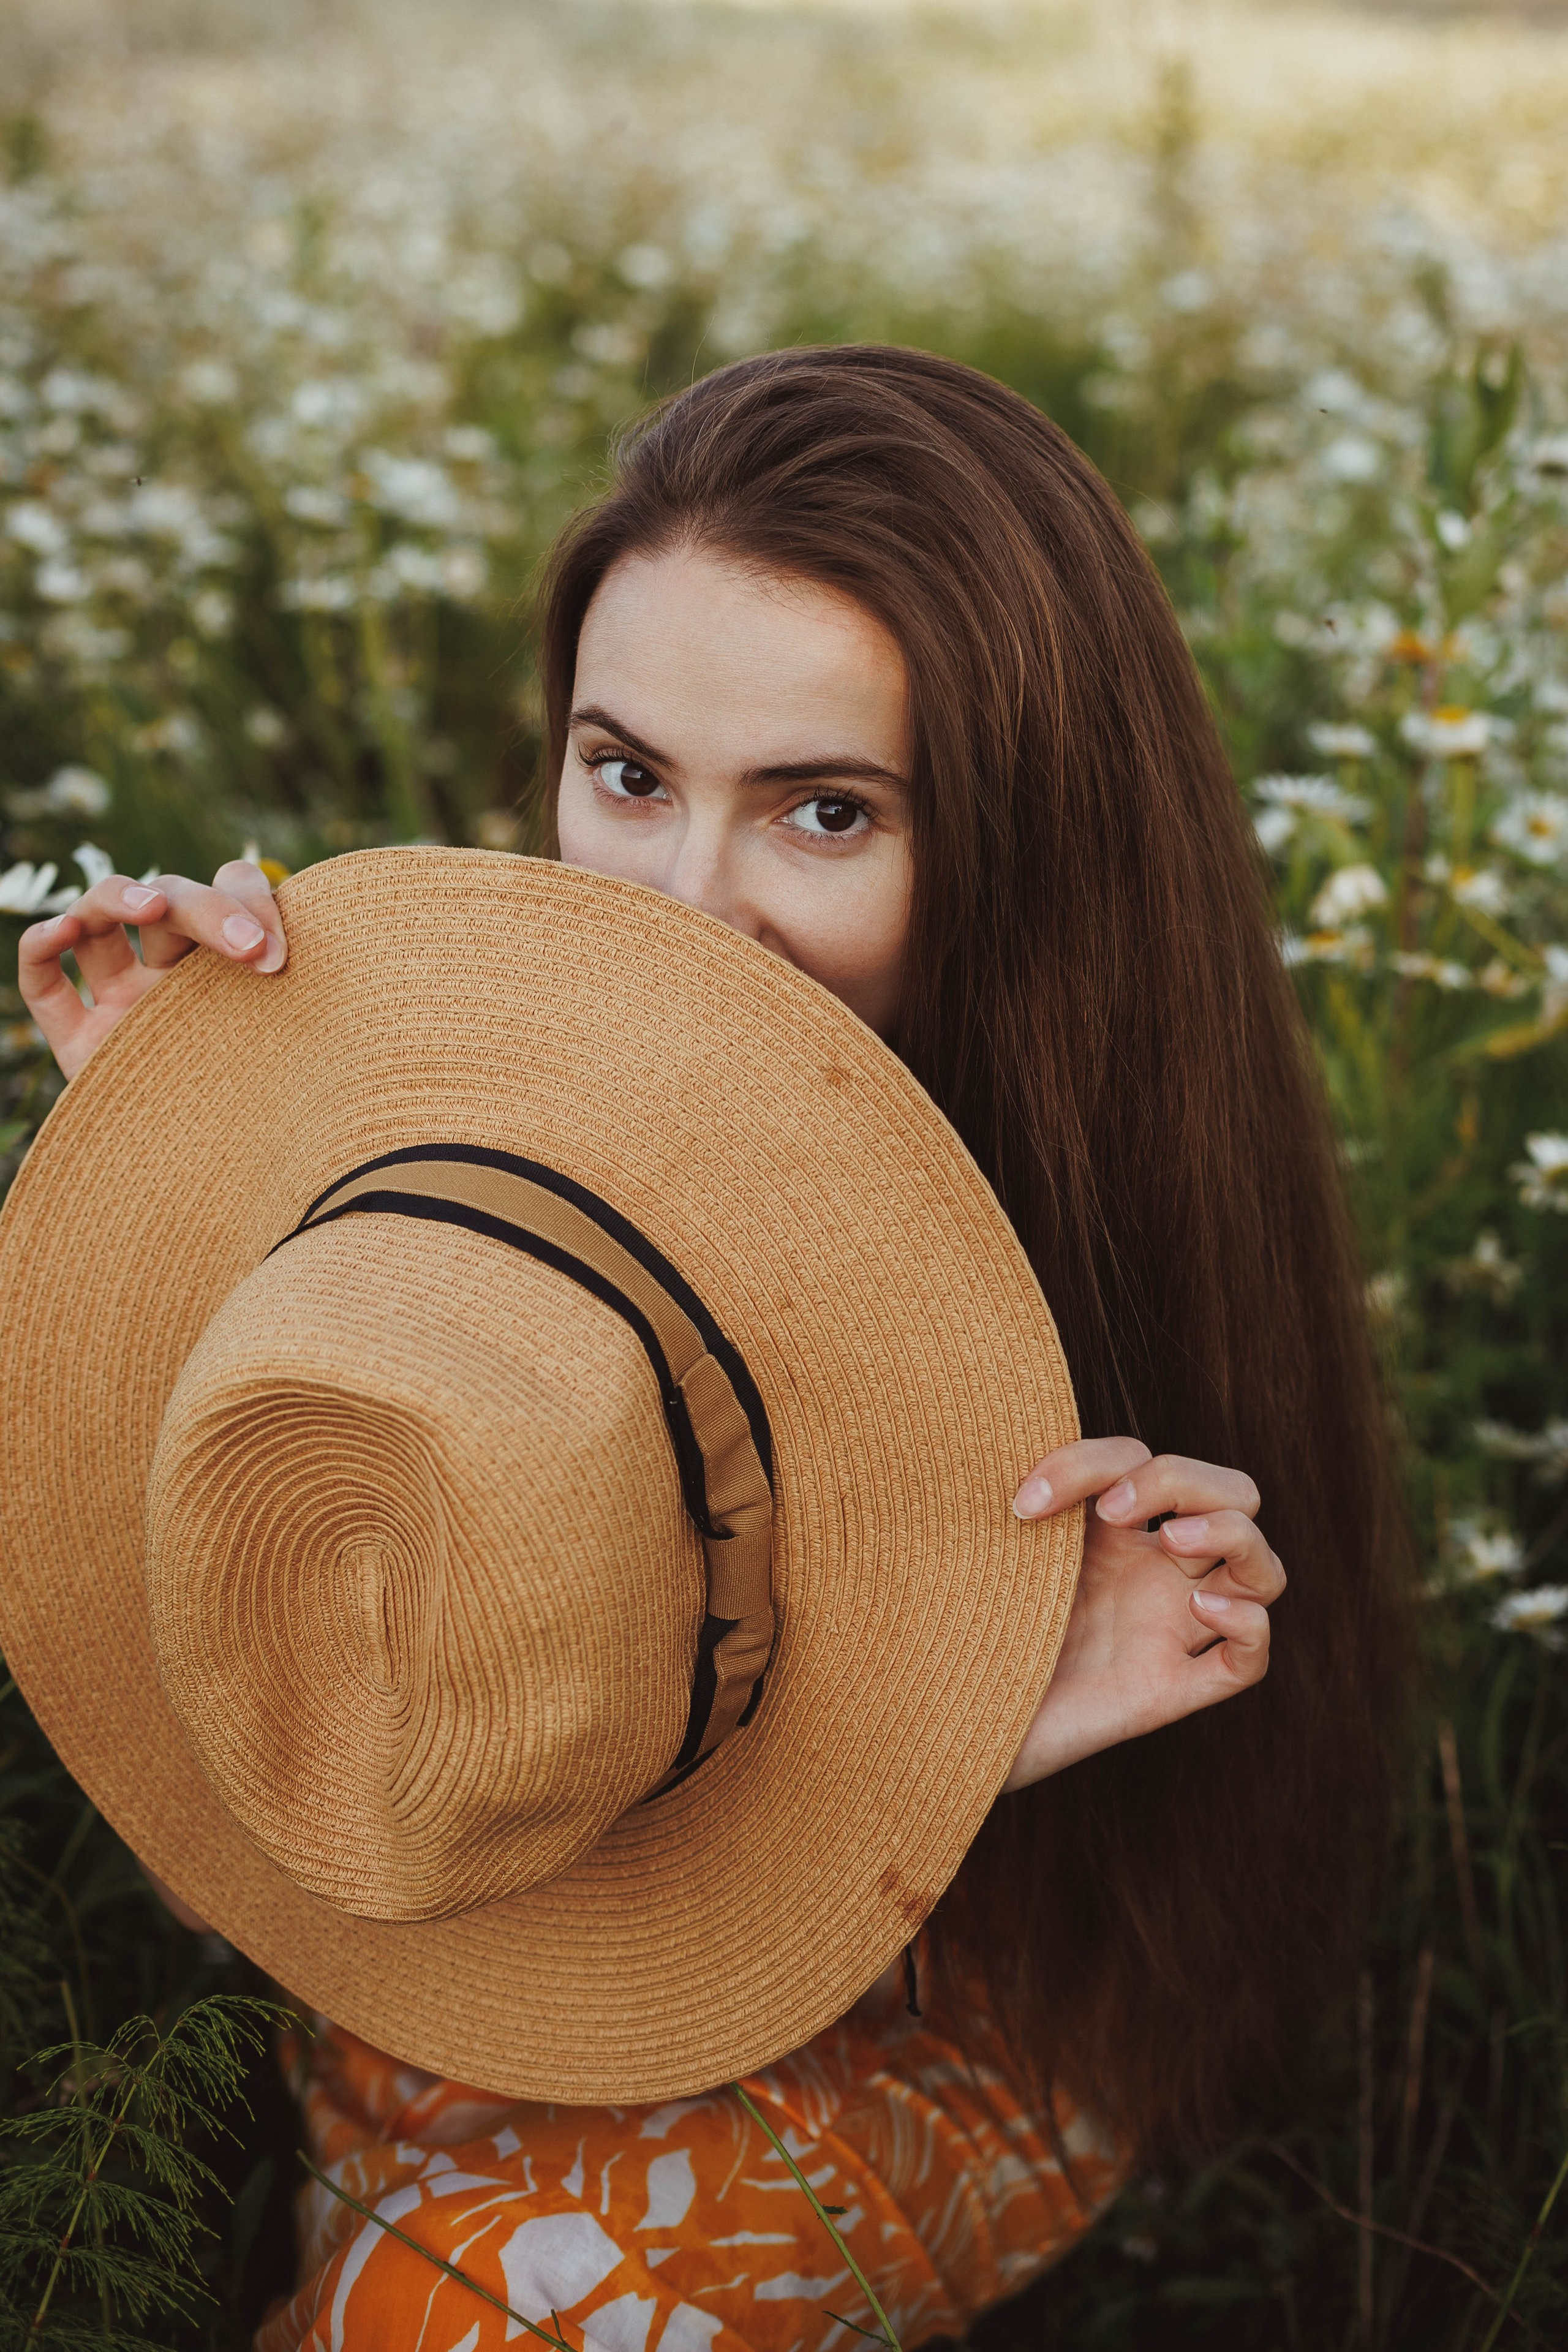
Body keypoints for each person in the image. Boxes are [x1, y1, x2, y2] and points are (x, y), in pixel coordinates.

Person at [16, 346, 1408, 2349]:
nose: (688, 911)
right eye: (630, 775)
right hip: (478, 1929)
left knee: (473, 2305)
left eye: (827, 811)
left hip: (957, 1980)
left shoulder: (1094, 1177)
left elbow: (1101, 1880)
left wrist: (948, 1710)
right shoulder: (483, 1118)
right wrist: (210, 1210)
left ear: (1030, 843)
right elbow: (246, 1867)